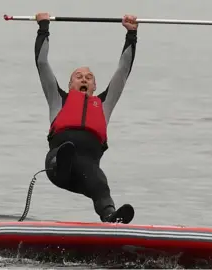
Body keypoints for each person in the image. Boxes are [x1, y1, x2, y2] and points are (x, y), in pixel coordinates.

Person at [34, 12, 138, 224]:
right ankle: (63, 164)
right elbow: (42, 63)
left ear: (95, 86)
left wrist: (132, 34)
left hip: (84, 174)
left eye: (89, 77)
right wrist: (43, 27)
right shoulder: (58, 99)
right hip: (56, 165)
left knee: (99, 181)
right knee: (67, 153)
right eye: (78, 77)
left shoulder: (104, 104)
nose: (84, 79)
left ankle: (110, 217)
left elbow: (123, 70)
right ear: (70, 84)